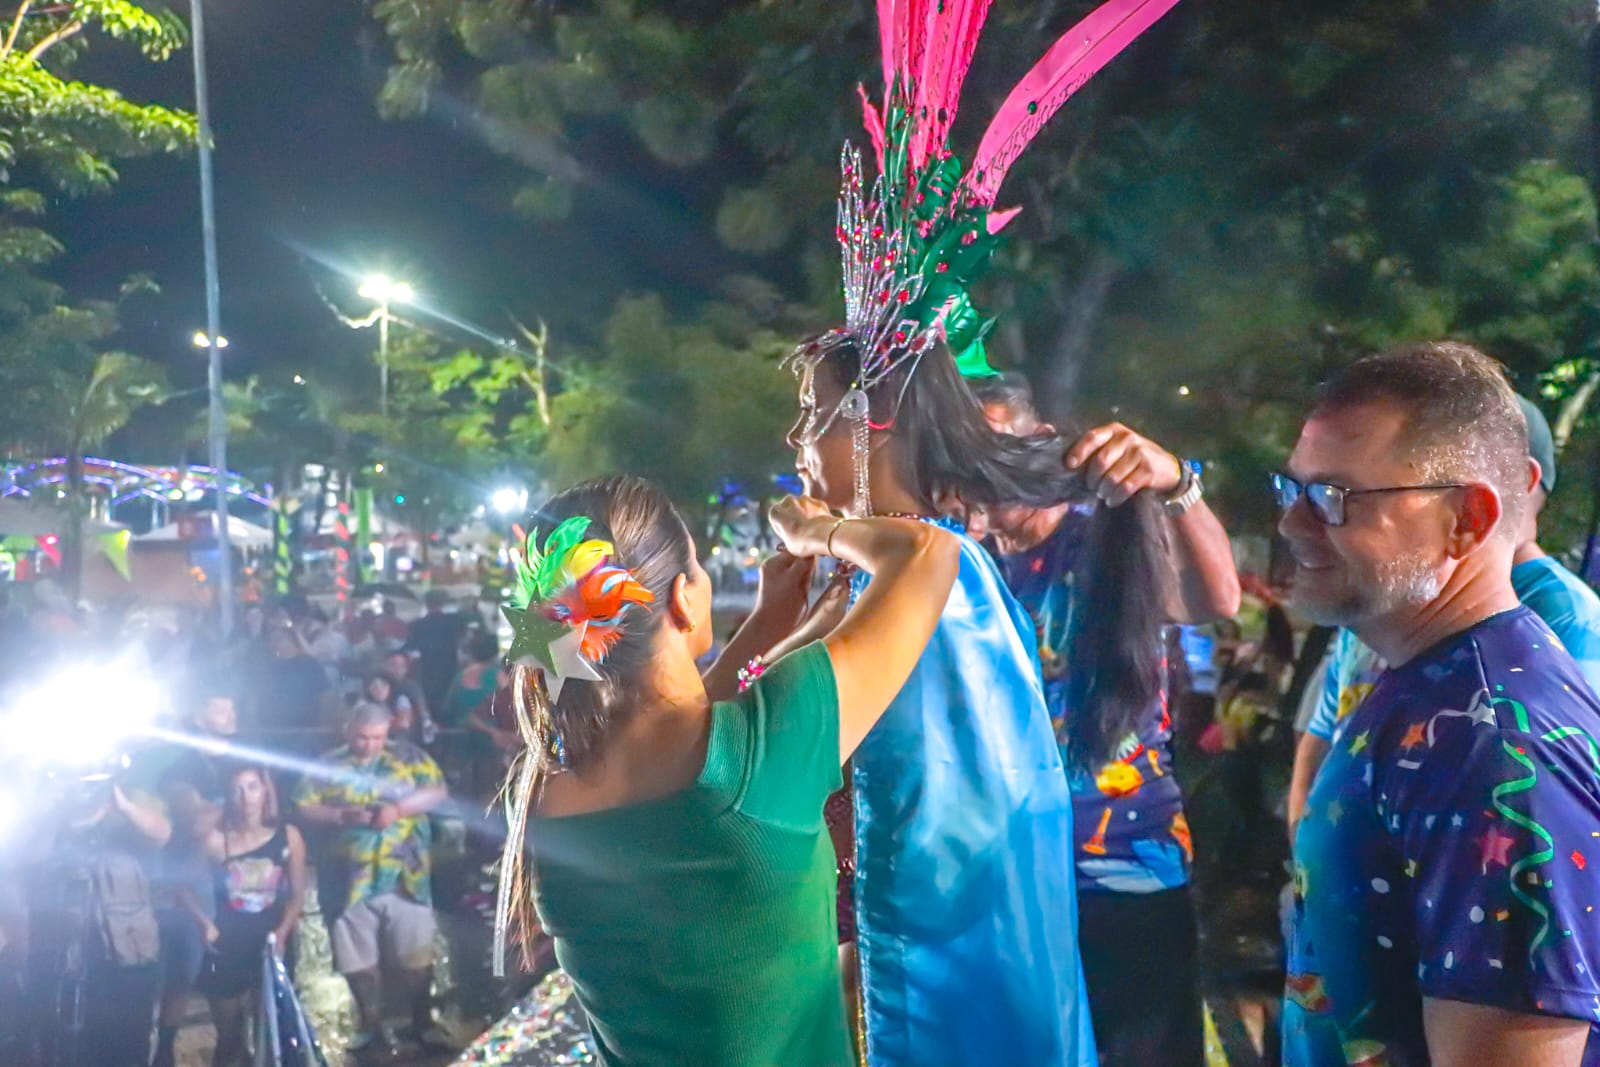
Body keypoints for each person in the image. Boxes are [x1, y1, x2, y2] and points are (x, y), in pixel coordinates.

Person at [494, 474, 959, 1067]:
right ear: (684, 599)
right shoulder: (761, 755)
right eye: (699, 565)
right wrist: (814, 531)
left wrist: (767, 626)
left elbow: (671, 744)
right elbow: (927, 552)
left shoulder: (535, 792)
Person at [1277, 342, 1600, 1065]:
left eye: (1331, 498)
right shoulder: (1431, 678)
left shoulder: (1498, 748)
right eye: (1290, 489)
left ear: (1466, 519)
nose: (1292, 525)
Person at [972, 372, 1239, 1067]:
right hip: (1010, 876)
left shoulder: (1106, 538)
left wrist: (1177, 481)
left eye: (998, 449)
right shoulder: (963, 564)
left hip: (1127, 867)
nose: (981, 473)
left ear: (1040, 444)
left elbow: (1216, 595)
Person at [1286, 394, 1600, 839]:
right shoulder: (1390, 595)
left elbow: (1548, 814)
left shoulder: (1566, 617)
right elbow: (1322, 731)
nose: (1292, 523)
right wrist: (1307, 844)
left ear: (1520, 482)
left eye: (1338, 495)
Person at [293, 702, 450, 1054]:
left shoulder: (409, 757)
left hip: (406, 877)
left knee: (416, 958)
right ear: (348, 732)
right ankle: (370, 1023)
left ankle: (423, 1022)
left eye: (377, 737)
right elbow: (303, 805)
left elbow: (437, 791)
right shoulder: (327, 765)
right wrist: (339, 815)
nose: (369, 744)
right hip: (348, 882)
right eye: (362, 737)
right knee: (356, 961)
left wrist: (398, 809)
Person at [25, 779, 170, 1067]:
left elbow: (162, 834)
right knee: (65, 1045)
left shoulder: (130, 812)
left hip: (128, 960)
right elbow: (29, 857)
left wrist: (123, 805)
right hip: (62, 958)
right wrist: (53, 810)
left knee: (126, 1046)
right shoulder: (49, 816)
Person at [194, 766, 306, 1067]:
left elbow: (297, 893)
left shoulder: (288, 836)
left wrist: (283, 931)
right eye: (237, 790)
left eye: (253, 787)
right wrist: (204, 925)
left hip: (271, 943)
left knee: (270, 1031)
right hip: (227, 942)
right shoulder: (216, 841)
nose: (246, 798)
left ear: (266, 790)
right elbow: (181, 887)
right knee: (229, 1038)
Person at [149, 785, 221, 1067]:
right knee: (165, 986)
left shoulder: (202, 838)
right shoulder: (162, 835)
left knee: (180, 984)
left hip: (191, 920)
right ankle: (159, 1049)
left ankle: (164, 1049)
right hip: (166, 917)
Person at [407, 590, 467, 713]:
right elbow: (463, 640)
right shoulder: (454, 621)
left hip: (428, 667)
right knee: (447, 697)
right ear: (443, 603)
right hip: (449, 665)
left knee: (430, 699)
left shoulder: (418, 624)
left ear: (426, 604)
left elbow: (412, 648)